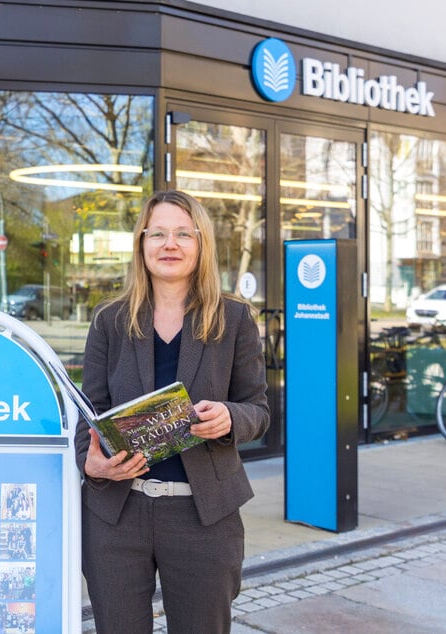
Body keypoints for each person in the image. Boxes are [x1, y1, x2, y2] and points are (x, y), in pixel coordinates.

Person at [76, 190, 269, 634]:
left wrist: (228, 418)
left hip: (203, 516)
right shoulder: (110, 320)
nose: (170, 244)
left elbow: (258, 409)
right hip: (118, 517)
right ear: (141, 244)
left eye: (184, 233)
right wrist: (90, 461)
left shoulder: (234, 319)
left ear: (201, 245)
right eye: (157, 233)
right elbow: (89, 412)